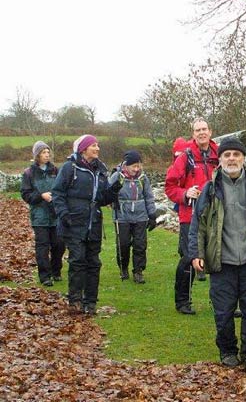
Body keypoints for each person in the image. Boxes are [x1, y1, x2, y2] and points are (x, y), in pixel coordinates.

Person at [189, 137, 246, 370]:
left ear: (243, 159)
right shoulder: (210, 189)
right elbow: (197, 224)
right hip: (222, 262)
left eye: (236, 154)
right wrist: (196, 254)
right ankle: (227, 351)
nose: (232, 158)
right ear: (219, 160)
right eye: (227, 155)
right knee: (223, 313)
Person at [52, 134, 121, 315]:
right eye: (94, 146)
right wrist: (64, 214)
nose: (97, 148)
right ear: (83, 149)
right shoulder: (69, 168)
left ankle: (90, 302)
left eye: (98, 145)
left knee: (93, 263)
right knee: (77, 261)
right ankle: (75, 300)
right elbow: (57, 193)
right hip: (73, 222)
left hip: (94, 223)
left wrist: (113, 192)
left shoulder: (101, 169)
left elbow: (101, 198)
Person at [165, 118, 219, 315]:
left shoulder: (220, 155)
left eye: (204, 129)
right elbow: (170, 186)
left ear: (210, 131)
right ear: (193, 134)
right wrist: (185, 193)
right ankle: (182, 301)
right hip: (190, 216)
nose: (202, 133)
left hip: (217, 216)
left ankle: (221, 303)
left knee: (219, 257)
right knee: (189, 258)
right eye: (198, 130)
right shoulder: (185, 157)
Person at [20, 141, 65, 287]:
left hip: (56, 214)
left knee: (59, 244)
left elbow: (61, 189)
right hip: (39, 215)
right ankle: (45, 276)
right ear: (37, 155)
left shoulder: (55, 170)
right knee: (42, 247)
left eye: (47, 152)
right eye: (43, 153)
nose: (46, 155)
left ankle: (56, 270)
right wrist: (41, 196)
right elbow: (26, 194)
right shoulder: (29, 173)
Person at [109, 150, 157, 284]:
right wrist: (112, 195)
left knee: (140, 245)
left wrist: (152, 215)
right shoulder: (117, 176)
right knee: (123, 244)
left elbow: (149, 196)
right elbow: (106, 193)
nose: (136, 169)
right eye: (133, 166)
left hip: (141, 215)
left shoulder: (143, 178)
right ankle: (123, 267)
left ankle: (138, 271)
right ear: (125, 166)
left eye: (138, 166)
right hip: (122, 215)